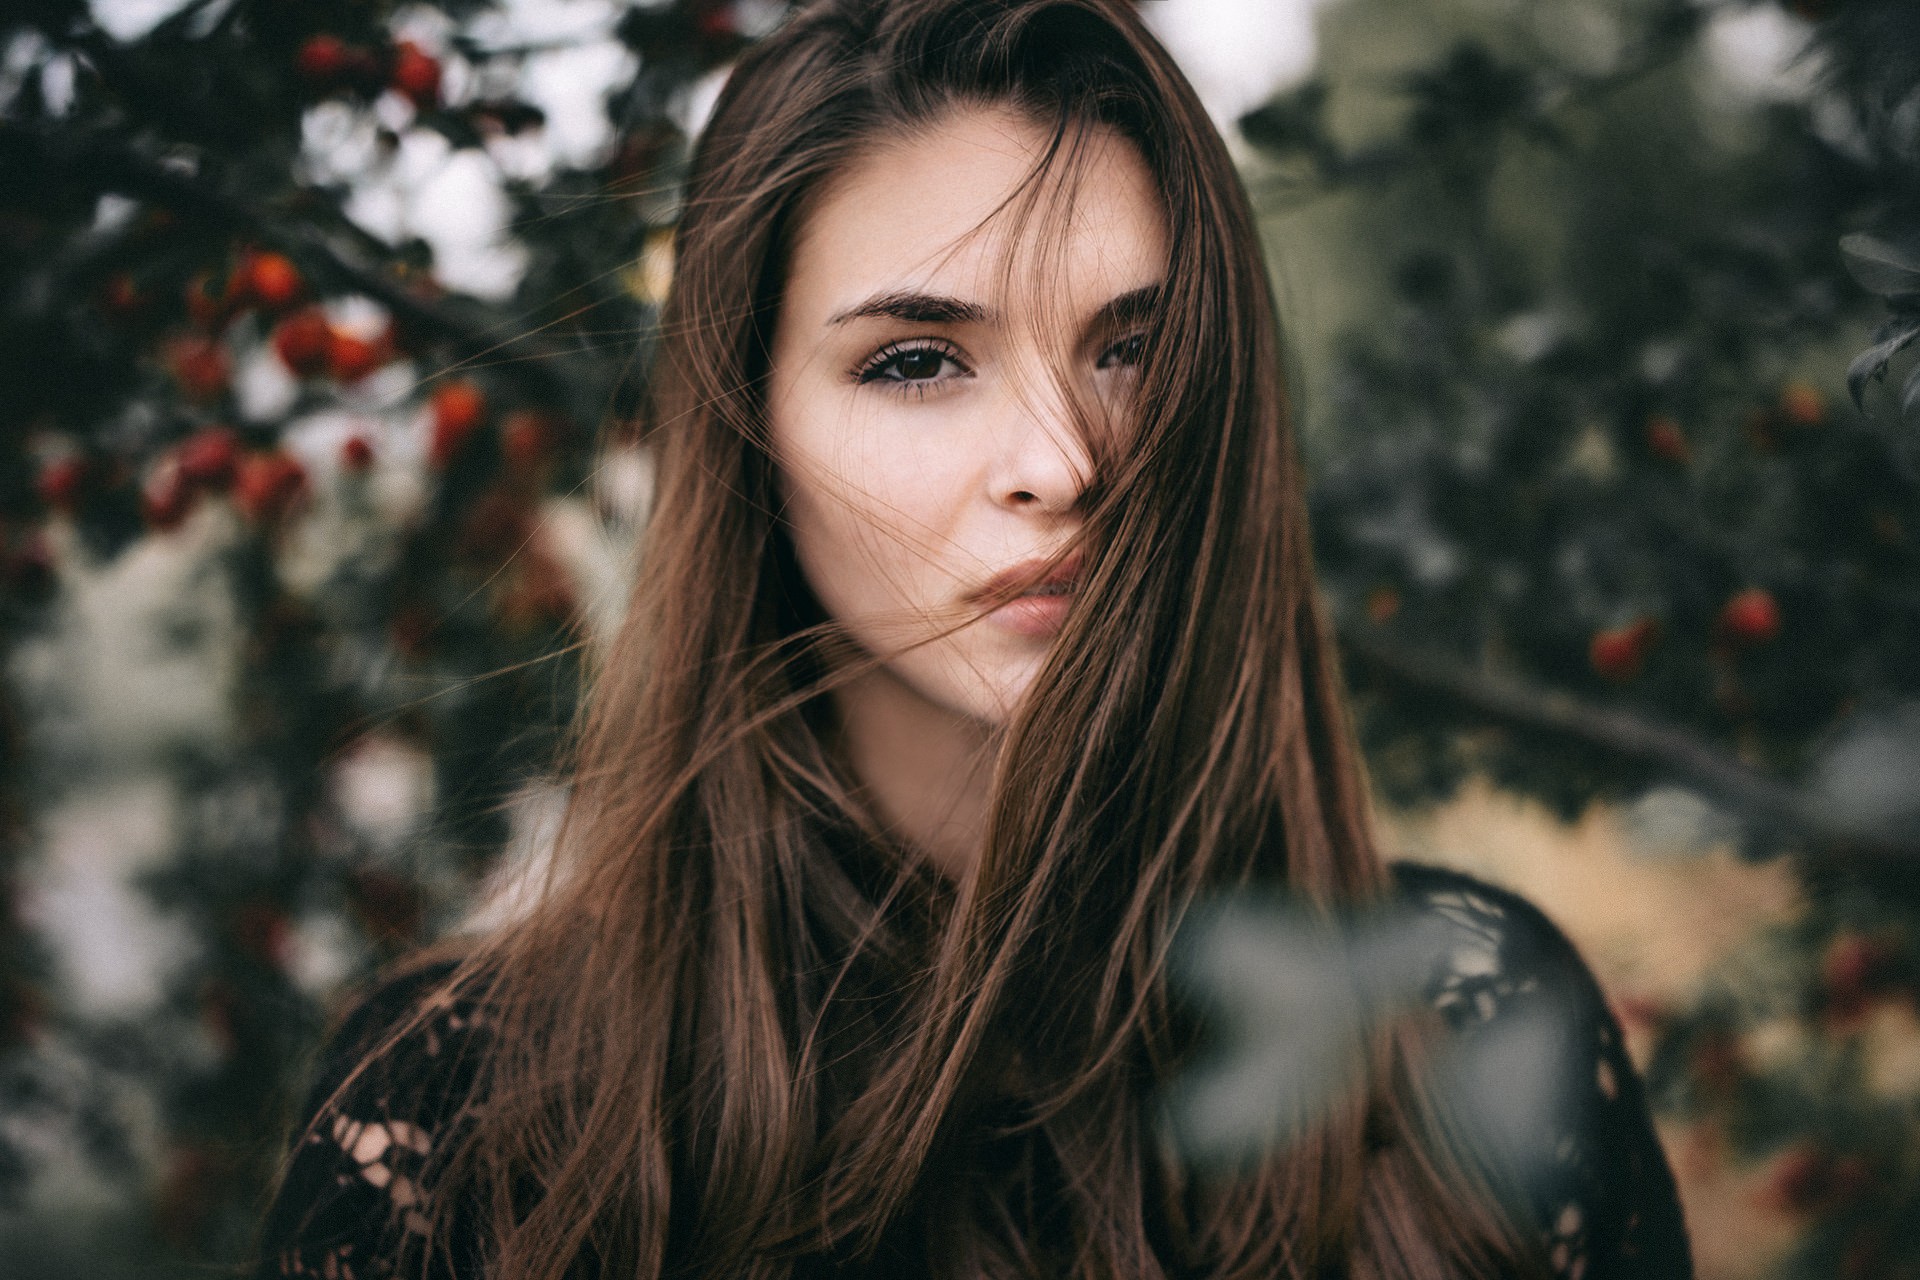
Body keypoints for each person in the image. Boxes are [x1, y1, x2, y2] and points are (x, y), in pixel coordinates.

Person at [253, 1, 1692, 1277]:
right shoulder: (451, 1127)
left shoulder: (1470, 1025)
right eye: (918, 361)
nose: (1064, 461)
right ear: (751, 433)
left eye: (1132, 346)